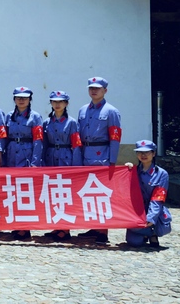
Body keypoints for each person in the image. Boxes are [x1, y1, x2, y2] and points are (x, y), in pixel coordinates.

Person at [77, 77, 121, 244]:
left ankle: (103, 231)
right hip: (85, 155)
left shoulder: (111, 111)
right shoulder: (83, 110)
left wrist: (112, 161)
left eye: (97, 88)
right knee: (88, 192)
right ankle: (94, 226)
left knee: (101, 193)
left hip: (102, 155)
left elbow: (115, 137)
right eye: (91, 88)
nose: (94, 91)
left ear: (105, 91)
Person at [42, 90, 83, 241]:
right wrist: (42, 162)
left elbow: (76, 145)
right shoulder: (47, 122)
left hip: (66, 158)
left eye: (60, 101)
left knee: (65, 193)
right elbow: (44, 144)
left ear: (66, 103)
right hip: (51, 158)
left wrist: (76, 167)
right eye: (54, 101)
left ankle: (65, 228)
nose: (57, 104)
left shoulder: (72, 123)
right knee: (53, 193)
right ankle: (56, 226)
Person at [4, 86, 44, 240]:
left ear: (29, 100)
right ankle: (16, 225)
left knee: (26, 192)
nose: (21, 100)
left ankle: (25, 227)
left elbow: (38, 140)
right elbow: (5, 137)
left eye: (25, 98)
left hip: (27, 155)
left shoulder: (35, 117)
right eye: (18, 97)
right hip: (12, 156)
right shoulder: (9, 116)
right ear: (14, 99)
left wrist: (35, 162)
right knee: (13, 192)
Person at [124, 140, 172, 247]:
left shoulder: (161, 174)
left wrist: (151, 218)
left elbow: (158, 198)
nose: (143, 155)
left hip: (154, 210)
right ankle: (150, 233)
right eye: (140, 152)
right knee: (134, 242)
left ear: (153, 153)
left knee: (161, 229)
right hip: (137, 211)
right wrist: (126, 169)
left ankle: (153, 232)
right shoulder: (133, 171)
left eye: (147, 152)